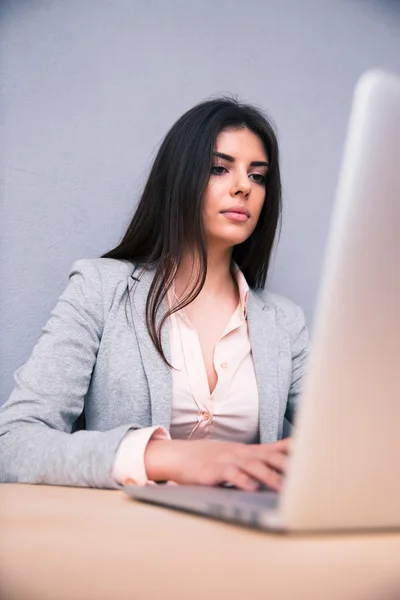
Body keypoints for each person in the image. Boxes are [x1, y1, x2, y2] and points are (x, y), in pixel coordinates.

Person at [0, 97, 309, 492]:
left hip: (248, 542)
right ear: (179, 178)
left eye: (258, 176)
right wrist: (164, 456)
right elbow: (13, 442)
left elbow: (343, 445)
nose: (243, 187)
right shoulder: (101, 289)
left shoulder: (284, 322)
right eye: (219, 168)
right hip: (127, 540)